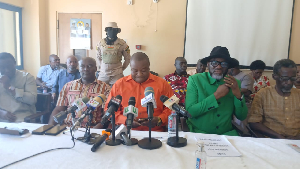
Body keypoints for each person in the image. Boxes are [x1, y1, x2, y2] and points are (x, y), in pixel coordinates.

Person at [185, 46, 248, 136]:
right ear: (208, 64)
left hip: (227, 134)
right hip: (199, 133)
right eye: (214, 63)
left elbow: (242, 116)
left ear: (228, 67)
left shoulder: (234, 83)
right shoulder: (195, 80)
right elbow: (190, 112)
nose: (218, 67)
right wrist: (216, 95)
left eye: (224, 64)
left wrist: (238, 95)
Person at [105, 52, 173, 131]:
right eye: (135, 71)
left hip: (155, 132)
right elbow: (109, 109)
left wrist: (160, 119)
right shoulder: (119, 85)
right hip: (127, 131)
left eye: (143, 70)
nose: (139, 74)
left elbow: (172, 107)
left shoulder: (163, 84)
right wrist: (126, 121)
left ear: (149, 68)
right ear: (130, 68)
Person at [48, 57, 111, 128]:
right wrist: (49, 129)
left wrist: (94, 131)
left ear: (96, 69)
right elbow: (59, 110)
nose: (86, 69)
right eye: (82, 66)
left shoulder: (105, 88)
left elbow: (107, 116)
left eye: (89, 66)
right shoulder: (68, 86)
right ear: (79, 69)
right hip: (68, 128)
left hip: (91, 129)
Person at [248, 59, 300, 139]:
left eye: (292, 78)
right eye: (285, 78)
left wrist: (296, 138)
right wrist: (278, 137)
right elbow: (254, 122)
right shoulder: (263, 94)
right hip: (271, 141)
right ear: (274, 76)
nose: (289, 82)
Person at [0, 52, 37, 122]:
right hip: (2, 118)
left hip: (21, 118)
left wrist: (9, 87)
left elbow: (32, 100)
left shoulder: (27, 77)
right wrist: (1, 113)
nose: (7, 70)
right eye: (2, 67)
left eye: (9, 66)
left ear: (15, 63)